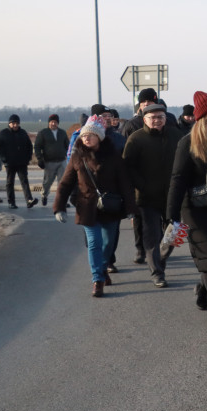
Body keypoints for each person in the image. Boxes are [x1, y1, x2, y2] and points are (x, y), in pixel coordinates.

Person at [52, 115, 135, 297]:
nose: (86, 138)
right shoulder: (77, 157)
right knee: (94, 243)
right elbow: (65, 183)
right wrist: (59, 207)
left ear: (100, 136)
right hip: (87, 207)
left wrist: (130, 209)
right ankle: (97, 279)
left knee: (107, 244)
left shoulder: (114, 157)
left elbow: (125, 184)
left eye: (91, 135)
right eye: (84, 136)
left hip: (111, 207)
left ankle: (103, 267)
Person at [166, 91, 207, 322]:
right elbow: (178, 178)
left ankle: (204, 288)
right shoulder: (188, 142)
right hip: (195, 206)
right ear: (201, 116)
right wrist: (171, 214)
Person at [123, 103, 183, 287]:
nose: (157, 121)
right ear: (145, 120)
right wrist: (142, 185)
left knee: (175, 234)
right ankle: (157, 272)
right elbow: (127, 167)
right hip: (147, 197)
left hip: (173, 196)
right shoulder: (136, 139)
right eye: (152, 117)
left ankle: (161, 260)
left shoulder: (176, 136)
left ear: (165, 118)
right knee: (152, 236)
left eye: (160, 117)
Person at [0, 114, 37, 209]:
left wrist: (28, 158)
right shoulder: (3, 133)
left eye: (16, 123)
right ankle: (11, 202)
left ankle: (29, 200)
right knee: (10, 183)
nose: (15, 125)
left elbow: (29, 146)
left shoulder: (23, 133)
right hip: (10, 163)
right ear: (9, 124)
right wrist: (3, 158)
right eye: (13, 123)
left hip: (22, 162)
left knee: (24, 181)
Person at [34, 114, 70, 206]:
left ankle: (61, 201)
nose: (53, 124)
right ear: (49, 123)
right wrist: (39, 158)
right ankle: (44, 195)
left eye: (55, 122)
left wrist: (68, 155)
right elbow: (37, 146)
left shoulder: (62, 133)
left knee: (62, 182)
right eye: (52, 122)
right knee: (48, 182)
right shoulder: (43, 133)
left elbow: (68, 145)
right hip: (49, 162)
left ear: (58, 123)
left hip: (62, 161)